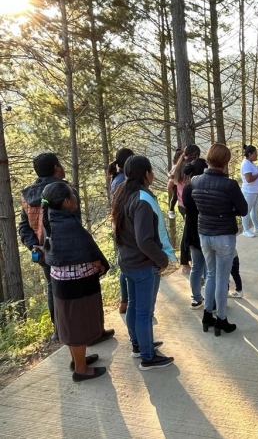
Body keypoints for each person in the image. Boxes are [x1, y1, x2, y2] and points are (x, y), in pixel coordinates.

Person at [112, 155, 177, 370]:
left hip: (128, 262)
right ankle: (148, 357)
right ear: (146, 174)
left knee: (134, 306)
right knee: (144, 312)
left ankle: (139, 344)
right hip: (143, 265)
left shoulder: (122, 193)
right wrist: (162, 260)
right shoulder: (142, 199)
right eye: (151, 171)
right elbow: (144, 240)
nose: (153, 175)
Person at [40, 182, 110, 382]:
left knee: (71, 324)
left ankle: (78, 360)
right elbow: (88, 251)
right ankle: (81, 370)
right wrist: (100, 263)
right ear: (66, 201)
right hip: (77, 285)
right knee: (79, 325)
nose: (75, 196)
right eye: (72, 194)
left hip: (61, 283)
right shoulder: (69, 225)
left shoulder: (50, 220)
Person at [191, 143, 248, 336]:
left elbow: (195, 205)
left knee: (211, 276)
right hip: (223, 235)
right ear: (225, 162)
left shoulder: (196, 180)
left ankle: (208, 315)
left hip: (204, 234)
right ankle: (221, 319)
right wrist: (227, 211)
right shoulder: (229, 185)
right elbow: (244, 209)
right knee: (222, 279)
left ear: (208, 159)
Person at [18, 153, 69, 339]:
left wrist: (33, 246)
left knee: (52, 287)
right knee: (72, 288)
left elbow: (23, 226)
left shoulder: (27, 195)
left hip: (43, 251)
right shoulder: (62, 190)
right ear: (56, 168)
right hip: (65, 250)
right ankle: (77, 331)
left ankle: (59, 330)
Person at [108, 148, 135, 314]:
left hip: (120, 226)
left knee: (124, 265)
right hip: (125, 227)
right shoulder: (122, 181)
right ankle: (126, 301)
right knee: (126, 267)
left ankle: (125, 301)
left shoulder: (116, 178)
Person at [168, 144, 202, 273]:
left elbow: (170, 186)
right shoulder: (191, 168)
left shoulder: (178, 166)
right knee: (189, 233)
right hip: (191, 205)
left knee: (189, 231)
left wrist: (178, 191)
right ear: (197, 155)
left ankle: (188, 262)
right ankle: (185, 263)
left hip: (183, 204)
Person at [182, 157, 208, 310]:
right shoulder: (203, 188)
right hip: (204, 230)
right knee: (211, 268)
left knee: (196, 267)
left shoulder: (187, 188)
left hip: (191, 230)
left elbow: (186, 208)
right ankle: (212, 298)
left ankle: (196, 298)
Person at [240, 145, 258, 237]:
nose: (257, 155)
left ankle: (257, 227)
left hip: (255, 190)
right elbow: (249, 179)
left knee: (254, 210)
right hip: (249, 191)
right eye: (255, 153)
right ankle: (245, 230)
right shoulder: (246, 164)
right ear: (250, 154)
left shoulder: (251, 162)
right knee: (246, 210)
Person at [168, 147, 183, 219]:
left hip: (178, 183)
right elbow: (170, 174)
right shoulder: (175, 166)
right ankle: (171, 209)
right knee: (175, 197)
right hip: (176, 184)